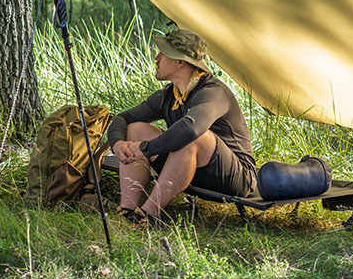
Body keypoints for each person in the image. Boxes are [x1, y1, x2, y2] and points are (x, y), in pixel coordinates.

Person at [106, 29, 258, 226]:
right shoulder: (171, 94)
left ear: (180, 61)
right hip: (192, 167)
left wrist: (145, 149)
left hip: (236, 178)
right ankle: (127, 212)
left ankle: (147, 217)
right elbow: (123, 118)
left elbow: (191, 130)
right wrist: (117, 143)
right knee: (134, 129)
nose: (156, 58)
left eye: (163, 53)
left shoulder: (213, 92)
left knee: (193, 137)